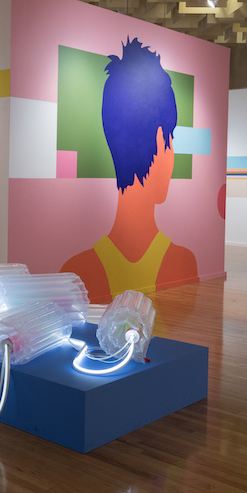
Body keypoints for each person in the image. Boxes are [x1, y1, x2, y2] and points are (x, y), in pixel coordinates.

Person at [61, 38, 197, 303]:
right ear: (160, 139)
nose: (171, 154)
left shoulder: (76, 270)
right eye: (170, 140)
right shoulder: (183, 262)